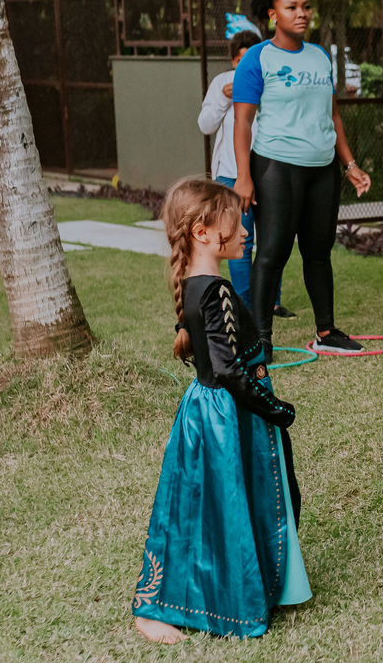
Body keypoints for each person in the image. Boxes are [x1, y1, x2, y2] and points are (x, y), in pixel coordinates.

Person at [132, 178, 310, 644]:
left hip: (207, 411)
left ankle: (217, 591)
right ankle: (156, 608)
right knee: (208, 508)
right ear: (204, 232)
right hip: (226, 416)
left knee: (204, 509)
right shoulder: (217, 293)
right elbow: (232, 372)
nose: (247, 230)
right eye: (237, 220)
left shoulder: (199, 285)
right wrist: (276, 409)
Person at [231, 0, 371, 357]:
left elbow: (333, 115)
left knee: (319, 251)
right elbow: (242, 121)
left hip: (322, 168)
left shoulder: (320, 56)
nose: (302, 14)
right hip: (277, 166)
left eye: (305, 6)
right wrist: (244, 177)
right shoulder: (258, 58)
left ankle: (326, 332)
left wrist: (350, 164)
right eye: (292, 7)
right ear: (272, 13)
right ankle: (261, 339)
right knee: (272, 251)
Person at [196, 29, 291, 318]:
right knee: (240, 238)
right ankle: (246, 306)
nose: (243, 65)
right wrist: (226, 99)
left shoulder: (273, 81)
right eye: (239, 59)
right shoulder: (221, 83)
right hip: (231, 176)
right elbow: (205, 125)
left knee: (272, 238)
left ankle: (272, 302)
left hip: (271, 170)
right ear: (233, 60)